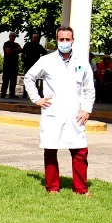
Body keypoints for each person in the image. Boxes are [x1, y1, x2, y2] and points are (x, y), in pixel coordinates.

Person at [24, 26, 96, 194]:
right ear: (56, 40)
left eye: (67, 39)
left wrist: (86, 110)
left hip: (75, 113)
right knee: (50, 149)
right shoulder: (46, 60)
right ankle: (52, 187)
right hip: (53, 112)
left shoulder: (81, 62)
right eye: (61, 39)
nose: (64, 42)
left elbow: (89, 89)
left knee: (80, 151)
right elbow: (29, 77)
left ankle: (81, 189)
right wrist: (36, 99)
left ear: (73, 40)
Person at [21, 32, 46, 98]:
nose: (35, 39)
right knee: (27, 79)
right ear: (32, 38)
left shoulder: (39, 46)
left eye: (37, 38)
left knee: (35, 80)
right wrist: (24, 61)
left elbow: (44, 52)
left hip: (35, 65)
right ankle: (25, 94)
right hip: (28, 64)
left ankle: (34, 95)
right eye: (34, 38)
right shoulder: (27, 44)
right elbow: (23, 54)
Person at [1, 31, 20, 99]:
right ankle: (3, 94)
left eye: (14, 36)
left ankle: (12, 94)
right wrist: (16, 50)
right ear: (9, 36)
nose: (13, 37)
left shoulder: (16, 44)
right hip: (7, 65)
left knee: (13, 81)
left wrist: (13, 50)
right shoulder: (6, 43)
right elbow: (8, 51)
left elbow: (21, 50)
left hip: (14, 65)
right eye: (12, 36)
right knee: (5, 80)